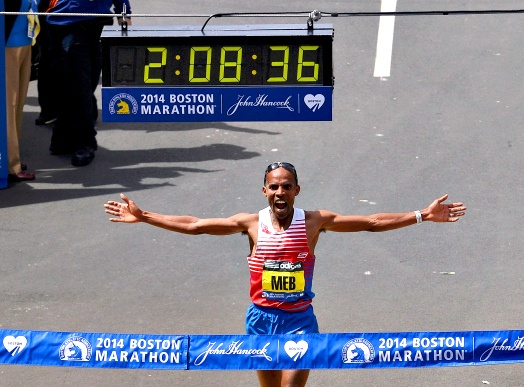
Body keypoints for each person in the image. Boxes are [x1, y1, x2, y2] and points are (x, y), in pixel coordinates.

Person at [103, 162, 467, 387]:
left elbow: (371, 222)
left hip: (299, 322)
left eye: (286, 186)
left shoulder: (314, 221)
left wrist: (421, 214)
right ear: (265, 191)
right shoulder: (250, 223)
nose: (280, 191)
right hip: (260, 321)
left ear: (296, 190)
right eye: (274, 186)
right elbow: (196, 225)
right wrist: (145, 215)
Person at [45, 0, 132, 166]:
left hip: (98, 20)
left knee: (87, 81)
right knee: (78, 84)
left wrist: (124, 12)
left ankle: (63, 136)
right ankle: (84, 142)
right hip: (68, 21)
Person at [5, 0, 40, 182]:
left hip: (25, 41)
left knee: (18, 103)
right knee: (9, 104)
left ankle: (14, 156)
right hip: (7, 45)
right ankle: (11, 164)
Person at [34, 0, 58, 126]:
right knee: (47, 63)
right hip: (46, 15)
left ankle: (85, 108)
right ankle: (48, 111)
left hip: (72, 15)